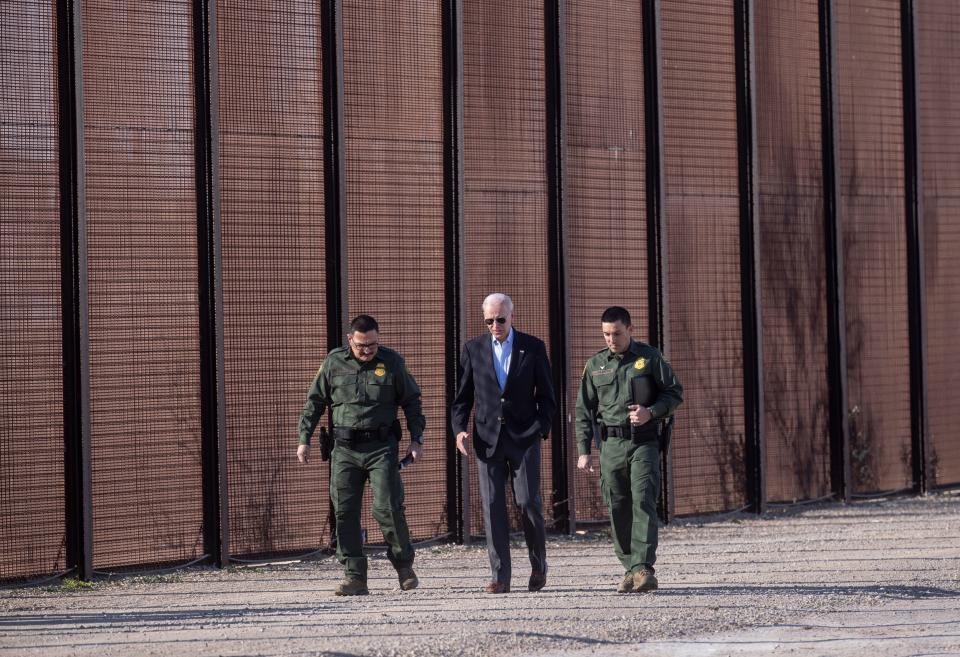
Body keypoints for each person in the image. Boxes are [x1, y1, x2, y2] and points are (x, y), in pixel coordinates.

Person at [298, 314, 425, 596]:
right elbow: (315, 401)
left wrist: (416, 440)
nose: (367, 350)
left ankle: (404, 565)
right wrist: (303, 439)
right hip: (344, 450)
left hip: (381, 448)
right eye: (361, 346)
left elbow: (412, 402)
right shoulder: (334, 362)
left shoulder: (392, 362)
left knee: (387, 507)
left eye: (372, 345)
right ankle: (355, 575)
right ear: (349, 340)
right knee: (344, 511)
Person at [452, 293, 557, 593]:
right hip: (487, 439)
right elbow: (462, 397)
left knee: (528, 503)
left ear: (512, 316)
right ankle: (501, 576)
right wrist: (459, 429)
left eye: (500, 319)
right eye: (489, 321)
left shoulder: (533, 347)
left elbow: (547, 395)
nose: (495, 325)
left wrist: (541, 427)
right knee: (492, 505)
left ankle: (538, 564)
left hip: (524, 437)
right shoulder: (473, 349)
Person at [575, 306, 682, 593]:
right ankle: (630, 568)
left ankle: (643, 567)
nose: (611, 339)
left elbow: (674, 392)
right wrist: (584, 451)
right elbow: (584, 410)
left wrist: (652, 411)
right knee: (618, 506)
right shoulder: (595, 365)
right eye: (607, 334)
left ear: (630, 329)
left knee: (643, 498)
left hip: (643, 441)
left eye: (617, 333)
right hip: (610, 446)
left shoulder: (649, 358)